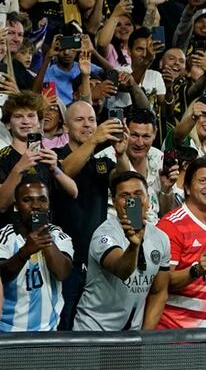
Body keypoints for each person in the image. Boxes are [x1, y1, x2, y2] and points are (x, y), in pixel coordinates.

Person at [54, 101, 128, 329]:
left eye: (92, 120)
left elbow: (125, 184)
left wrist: (122, 154)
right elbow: (66, 170)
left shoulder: (102, 164)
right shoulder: (55, 156)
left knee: (92, 327)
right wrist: (96, 139)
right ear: (65, 127)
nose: (87, 125)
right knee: (64, 325)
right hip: (65, 260)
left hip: (96, 261)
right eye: (79, 120)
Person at [72, 170, 172, 331]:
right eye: (125, 196)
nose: (132, 200)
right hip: (94, 330)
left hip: (132, 336)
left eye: (138, 194)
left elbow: (159, 292)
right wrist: (134, 246)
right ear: (114, 201)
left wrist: (145, 337)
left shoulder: (161, 239)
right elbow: (121, 270)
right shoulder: (104, 234)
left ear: (148, 199)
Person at [145, 157, 206, 329]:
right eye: (203, 181)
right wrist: (197, 269)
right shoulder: (171, 225)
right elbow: (161, 283)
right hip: (168, 330)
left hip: (201, 334)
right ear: (188, 188)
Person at [0, 177, 73, 331]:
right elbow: (2, 276)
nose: (36, 206)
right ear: (16, 205)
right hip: (8, 333)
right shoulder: (4, 237)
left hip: (48, 332)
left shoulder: (59, 236)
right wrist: (24, 252)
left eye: (42, 199)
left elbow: (63, 273)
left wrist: (44, 237)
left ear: (49, 205)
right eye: (27, 200)